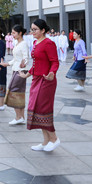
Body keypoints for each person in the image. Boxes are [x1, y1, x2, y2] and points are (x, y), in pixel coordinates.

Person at [27, 19, 60, 151]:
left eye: (35, 29)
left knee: (43, 109)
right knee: (36, 109)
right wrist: (27, 73)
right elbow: (37, 63)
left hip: (46, 81)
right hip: (36, 79)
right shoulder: (35, 42)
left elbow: (55, 62)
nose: (32, 32)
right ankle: (46, 141)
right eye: (32, 29)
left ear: (43, 30)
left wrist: (52, 73)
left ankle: (54, 138)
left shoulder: (48, 43)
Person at [4, 24, 30, 125]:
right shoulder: (16, 43)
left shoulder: (24, 44)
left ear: (20, 33)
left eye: (14, 33)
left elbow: (26, 58)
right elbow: (15, 59)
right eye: (12, 33)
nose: (12, 34)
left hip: (21, 71)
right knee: (18, 93)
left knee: (14, 92)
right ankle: (21, 117)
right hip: (15, 69)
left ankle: (18, 117)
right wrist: (7, 64)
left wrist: (24, 64)